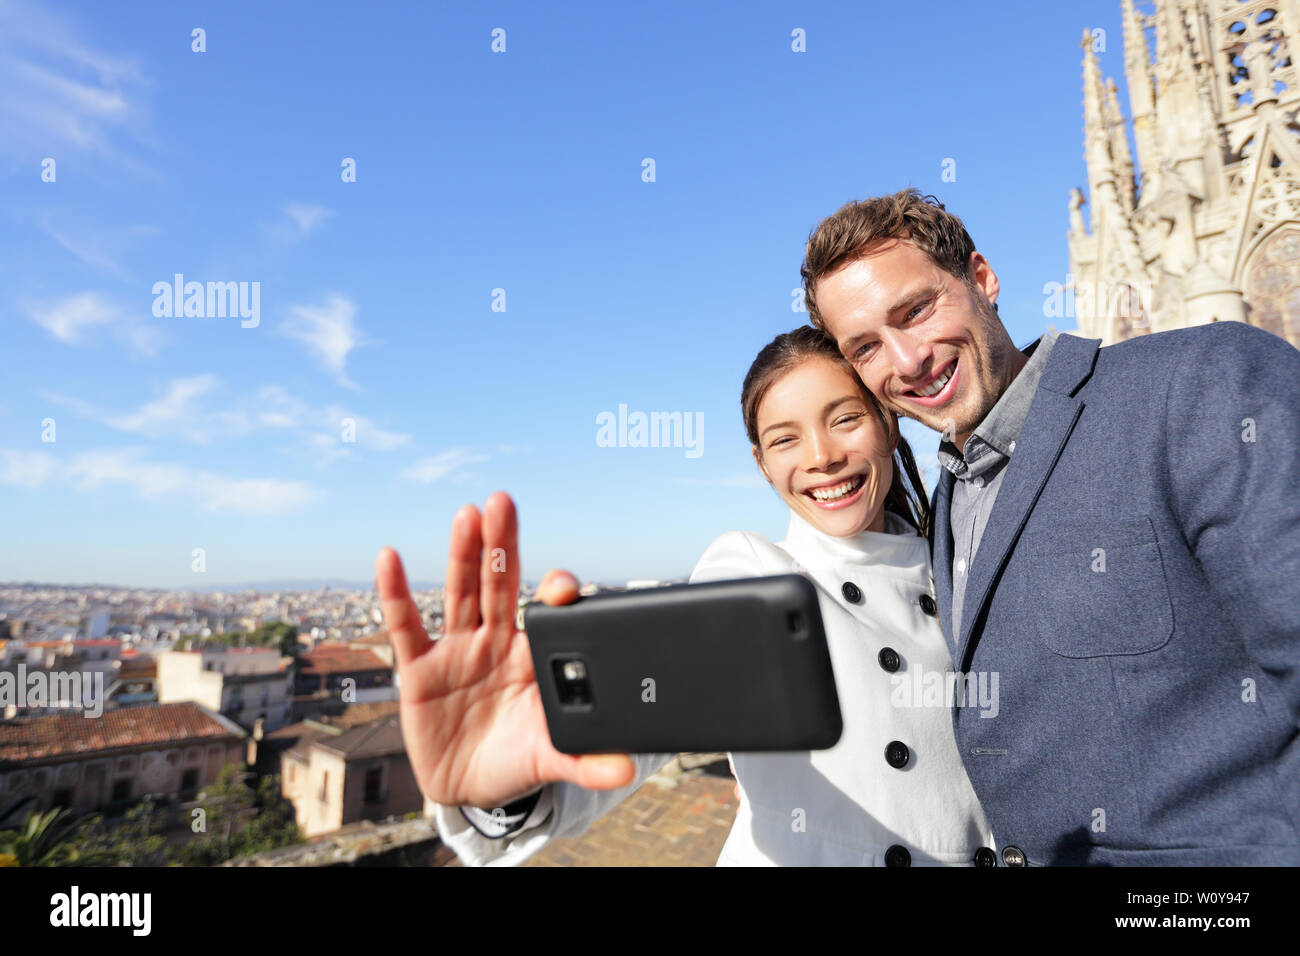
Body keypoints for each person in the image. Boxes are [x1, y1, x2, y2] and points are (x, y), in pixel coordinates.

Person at [797, 188, 1300, 865]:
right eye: (866, 347)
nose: (907, 360)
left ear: (982, 278)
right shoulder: (948, 500)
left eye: (915, 311)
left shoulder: (1201, 381)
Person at [376, 326, 997, 865]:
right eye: (785, 439)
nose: (822, 457)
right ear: (761, 465)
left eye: (845, 418)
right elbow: (647, 723)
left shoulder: (958, 557)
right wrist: (500, 792)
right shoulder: (754, 574)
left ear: (888, 426)